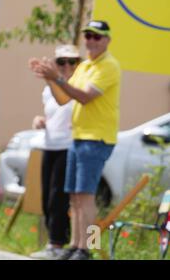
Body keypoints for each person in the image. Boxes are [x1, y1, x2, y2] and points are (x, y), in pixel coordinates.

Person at [30, 20, 121, 260]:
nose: (91, 40)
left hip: (96, 138)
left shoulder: (108, 66)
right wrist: (49, 78)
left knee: (87, 196)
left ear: (107, 40)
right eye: (88, 36)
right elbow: (62, 99)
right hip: (78, 137)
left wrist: (56, 78)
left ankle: (86, 248)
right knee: (75, 196)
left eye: (97, 36)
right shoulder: (84, 66)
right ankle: (75, 245)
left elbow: (84, 97)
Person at [28, 45, 80, 259]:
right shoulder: (49, 88)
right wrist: (41, 121)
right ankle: (54, 244)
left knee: (58, 198)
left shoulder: (78, 85)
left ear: (78, 63)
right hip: (50, 144)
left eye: (72, 61)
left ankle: (58, 244)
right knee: (46, 198)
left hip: (69, 145)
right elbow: (56, 114)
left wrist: (53, 78)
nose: (66, 66)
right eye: (61, 62)